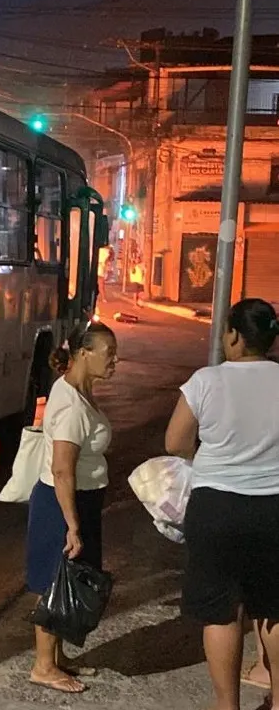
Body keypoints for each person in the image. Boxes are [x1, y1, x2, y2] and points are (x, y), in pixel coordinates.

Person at [165, 298, 279, 710]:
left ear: (233, 335)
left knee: (221, 611)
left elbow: (174, 442)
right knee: (274, 606)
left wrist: (212, 459)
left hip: (217, 509)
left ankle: (226, 705)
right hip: (274, 509)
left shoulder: (206, 381)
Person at [27, 320, 119, 694]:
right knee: (54, 580)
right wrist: (73, 525)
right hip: (61, 501)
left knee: (68, 578)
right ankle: (43, 665)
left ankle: (57, 658)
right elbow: (62, 469)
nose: (115, 361)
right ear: (84, 353)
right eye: (109, 353)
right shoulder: (70, 406)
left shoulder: (78, 393)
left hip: (77, 499)